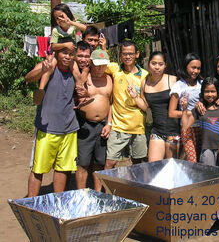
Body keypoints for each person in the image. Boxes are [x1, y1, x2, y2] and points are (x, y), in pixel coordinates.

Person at [27, 46, 79, 197]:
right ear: (57, 53)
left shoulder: (73, 71)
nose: (68, 57)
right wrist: (42, 70)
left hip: (69, 128)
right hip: (47, 128)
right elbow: (28, 78)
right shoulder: (48, 66)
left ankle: (58, 201)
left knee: (63, 168)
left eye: (70, 54)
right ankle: (31, 204)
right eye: (64, 53)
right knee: (38, 169)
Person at [128, 51, 180, 162]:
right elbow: (145, 106)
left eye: (160, 64)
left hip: (174, 131)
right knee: (154, 167)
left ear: (165, 65)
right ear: (148, 64)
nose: (157, 67)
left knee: (172, 169)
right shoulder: (145, 82)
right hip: (157, 131)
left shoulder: (173, 80)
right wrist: (134, 96)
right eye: (154, 63)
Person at [104, 41, 148, 169]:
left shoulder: (145, 75)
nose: (127, 57)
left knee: (137, 163)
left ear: (137, 54)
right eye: (124, 54)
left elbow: (145, 106)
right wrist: (103, 46)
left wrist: (135, 96)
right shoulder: (115, 69)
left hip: (138, 127)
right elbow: (98, 62)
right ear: (120, 55)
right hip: (118, 126)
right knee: (110, 163)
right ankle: (107, 189)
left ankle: (134, 189)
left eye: (130, 54)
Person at [34, 4, 87, 105]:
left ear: (68, 14)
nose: (60, 20)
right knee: (50, 66)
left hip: (71, 56)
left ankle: (81, 96)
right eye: (57, 18)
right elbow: (53, 46)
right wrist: (65, 44)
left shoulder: (73, 27)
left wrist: (71, 22)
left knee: (76, 72)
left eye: (62, 16)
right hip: (58, 56)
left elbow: (85, 29)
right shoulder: (56, 30)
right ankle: (40, 90)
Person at [75, 49, 113, 192]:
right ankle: (81, 195)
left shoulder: (110, 79)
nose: (100, 68)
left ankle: (97, 194)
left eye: (103, 65)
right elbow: (77, 93)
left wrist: (109, 123)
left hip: (103, 125)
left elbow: (111, 103)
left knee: (99, 162)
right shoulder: (84, 78)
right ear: (91, 63)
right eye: (97, 65)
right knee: (83, 163)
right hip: (86, 125)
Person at [181, 77, 219, 166]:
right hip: (206, 149)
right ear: (202, 93)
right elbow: (185, 126)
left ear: (218, 92)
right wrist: (184, 109)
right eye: (207, 91)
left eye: (213, 91)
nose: (210, 94)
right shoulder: (200, 109)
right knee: (209, 175)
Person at [169, 53, 202, 162]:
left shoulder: (202, 84)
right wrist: (189, 112)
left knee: (202, 158)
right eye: (193, 67)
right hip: (187, 128)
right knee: (192, 160)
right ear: (185, 67)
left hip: (203, 127)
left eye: (198, 68)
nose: (195, 71)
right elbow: (172, 113)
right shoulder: (179, 85)